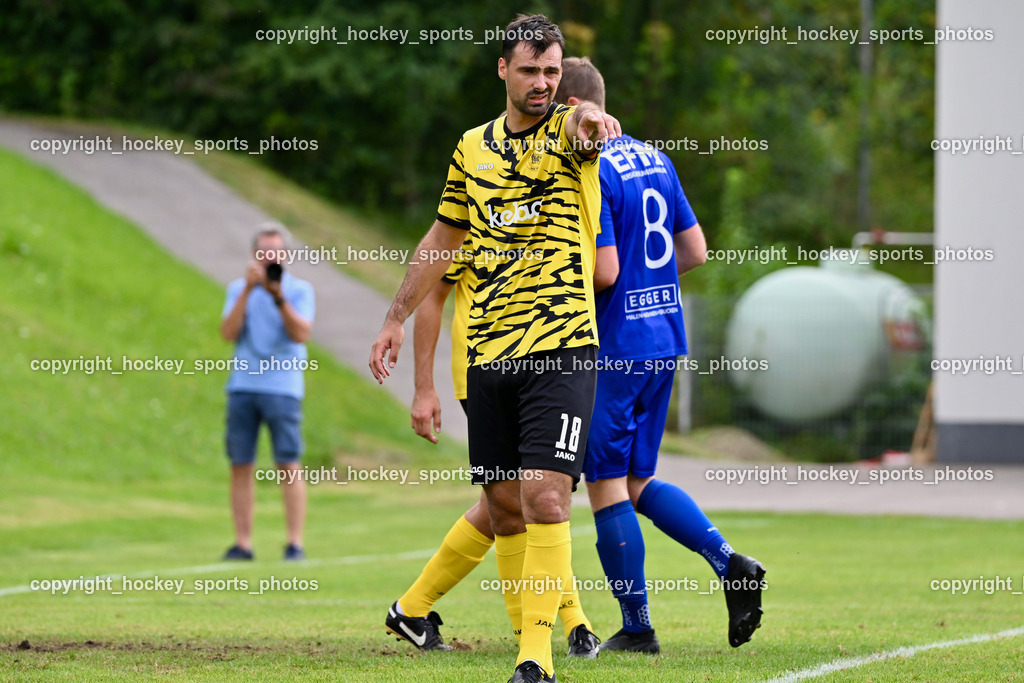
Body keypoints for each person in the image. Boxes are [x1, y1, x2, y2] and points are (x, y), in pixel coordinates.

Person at [369, 13, 621, 683]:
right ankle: (526, 629)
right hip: (488, 357)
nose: (542, 82)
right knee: (505, 505)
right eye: (531, 69)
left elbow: (586, 124)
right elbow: (438, 243)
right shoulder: (471, 149)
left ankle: (535, 658)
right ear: (503, 70)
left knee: (546, 497)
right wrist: (395, 318)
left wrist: (593, 122)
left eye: (552, 71)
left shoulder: (569, 133)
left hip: (563, 349)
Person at [556, 57, 766, 654]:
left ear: (569, 110)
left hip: (614, 346)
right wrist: (649, 284)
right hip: (664, 338)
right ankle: (731, 564)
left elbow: (604, 269)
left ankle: (638, 627)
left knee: (603, 484)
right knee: (638, 479)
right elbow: (695, 250)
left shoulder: (589, 167)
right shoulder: (655, 156)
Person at [385, 235, 598, 659]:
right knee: (521, 501)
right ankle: (567, 627)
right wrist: (424, 386)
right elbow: (432, 294)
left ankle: (411, 609)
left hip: (545, 362)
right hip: (486, 372)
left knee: (528, 499)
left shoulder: (556, 202)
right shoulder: (478, 209)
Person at [219, 225, 314, 562]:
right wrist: (248, 290)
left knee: (288, 463)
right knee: (240, 464)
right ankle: (242, 543)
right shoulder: (237, 289)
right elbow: (228, 332)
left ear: (285, 254)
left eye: (275, 251)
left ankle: (294, 543)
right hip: (243, 386)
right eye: (263, 252)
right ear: (254, 255)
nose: (270, 257)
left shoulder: (299, 290)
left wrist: (277, 296)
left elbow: (301, 333)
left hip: (283, 389)